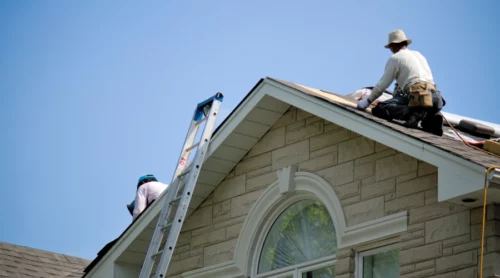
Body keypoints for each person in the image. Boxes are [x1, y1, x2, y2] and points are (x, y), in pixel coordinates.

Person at [357, 29, 445, 136]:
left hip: (418, 97)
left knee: (380, 108)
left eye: (390, 47)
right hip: (436, 98)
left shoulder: (395, 58)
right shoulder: (418, 55)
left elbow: (382, 86)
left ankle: (412, 114)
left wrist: (367, 102)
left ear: (393, 45)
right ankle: (430, 119)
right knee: (425, 118)